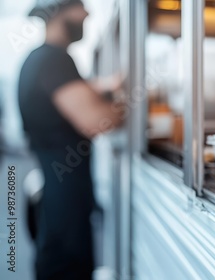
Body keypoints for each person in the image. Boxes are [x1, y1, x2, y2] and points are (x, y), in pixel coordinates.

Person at [18, 1, 123, 279]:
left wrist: (106, 86)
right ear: (58, 12)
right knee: (66, 268)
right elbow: (95, 120)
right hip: (64, 201)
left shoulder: (42, 59)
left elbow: (79, 92)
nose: (87, 13)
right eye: (79, 6)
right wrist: (130, 104)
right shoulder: (54, 59)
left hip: (59, 191)